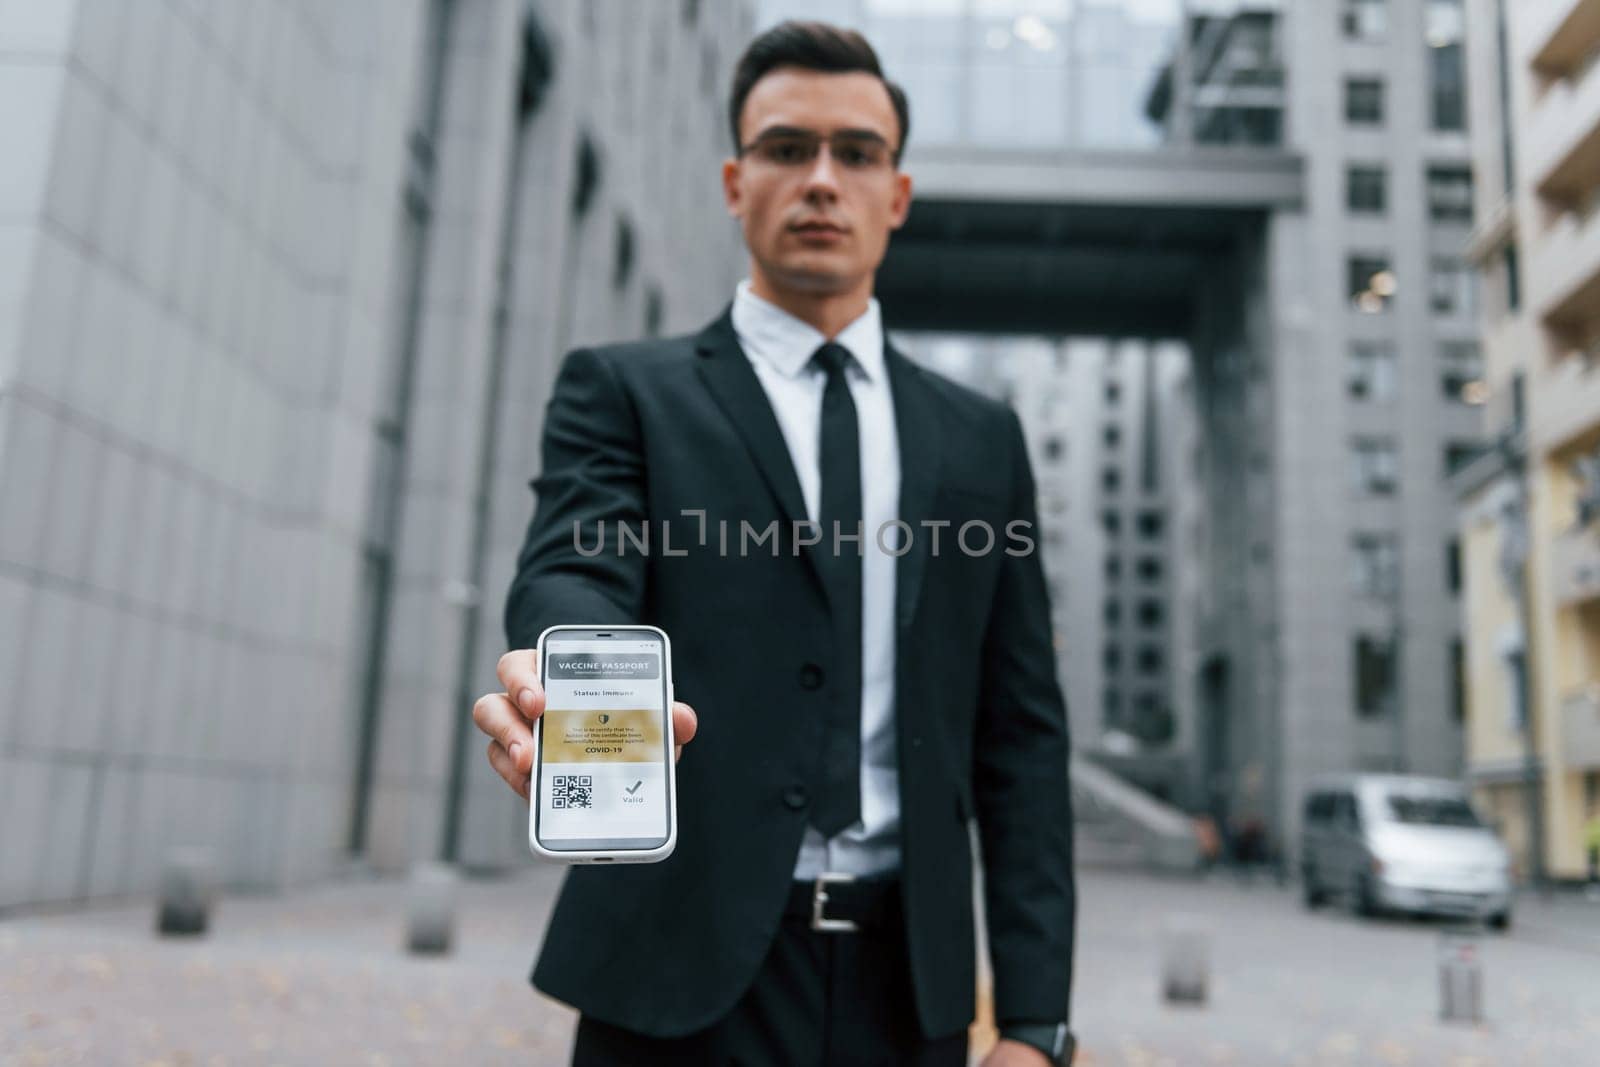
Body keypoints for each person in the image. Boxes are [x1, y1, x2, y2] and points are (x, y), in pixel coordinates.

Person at [472, 20, 1076, 1067]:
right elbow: (575, 564)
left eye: (857, 152)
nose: (821, 180)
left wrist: (1033, 1021)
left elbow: (1020, 735)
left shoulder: (981, 438)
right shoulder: (625, 390)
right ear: (732, 180)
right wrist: (568, 676)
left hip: (912, 989)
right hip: (674, 976)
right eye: (787, 148)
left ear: (897, 194)